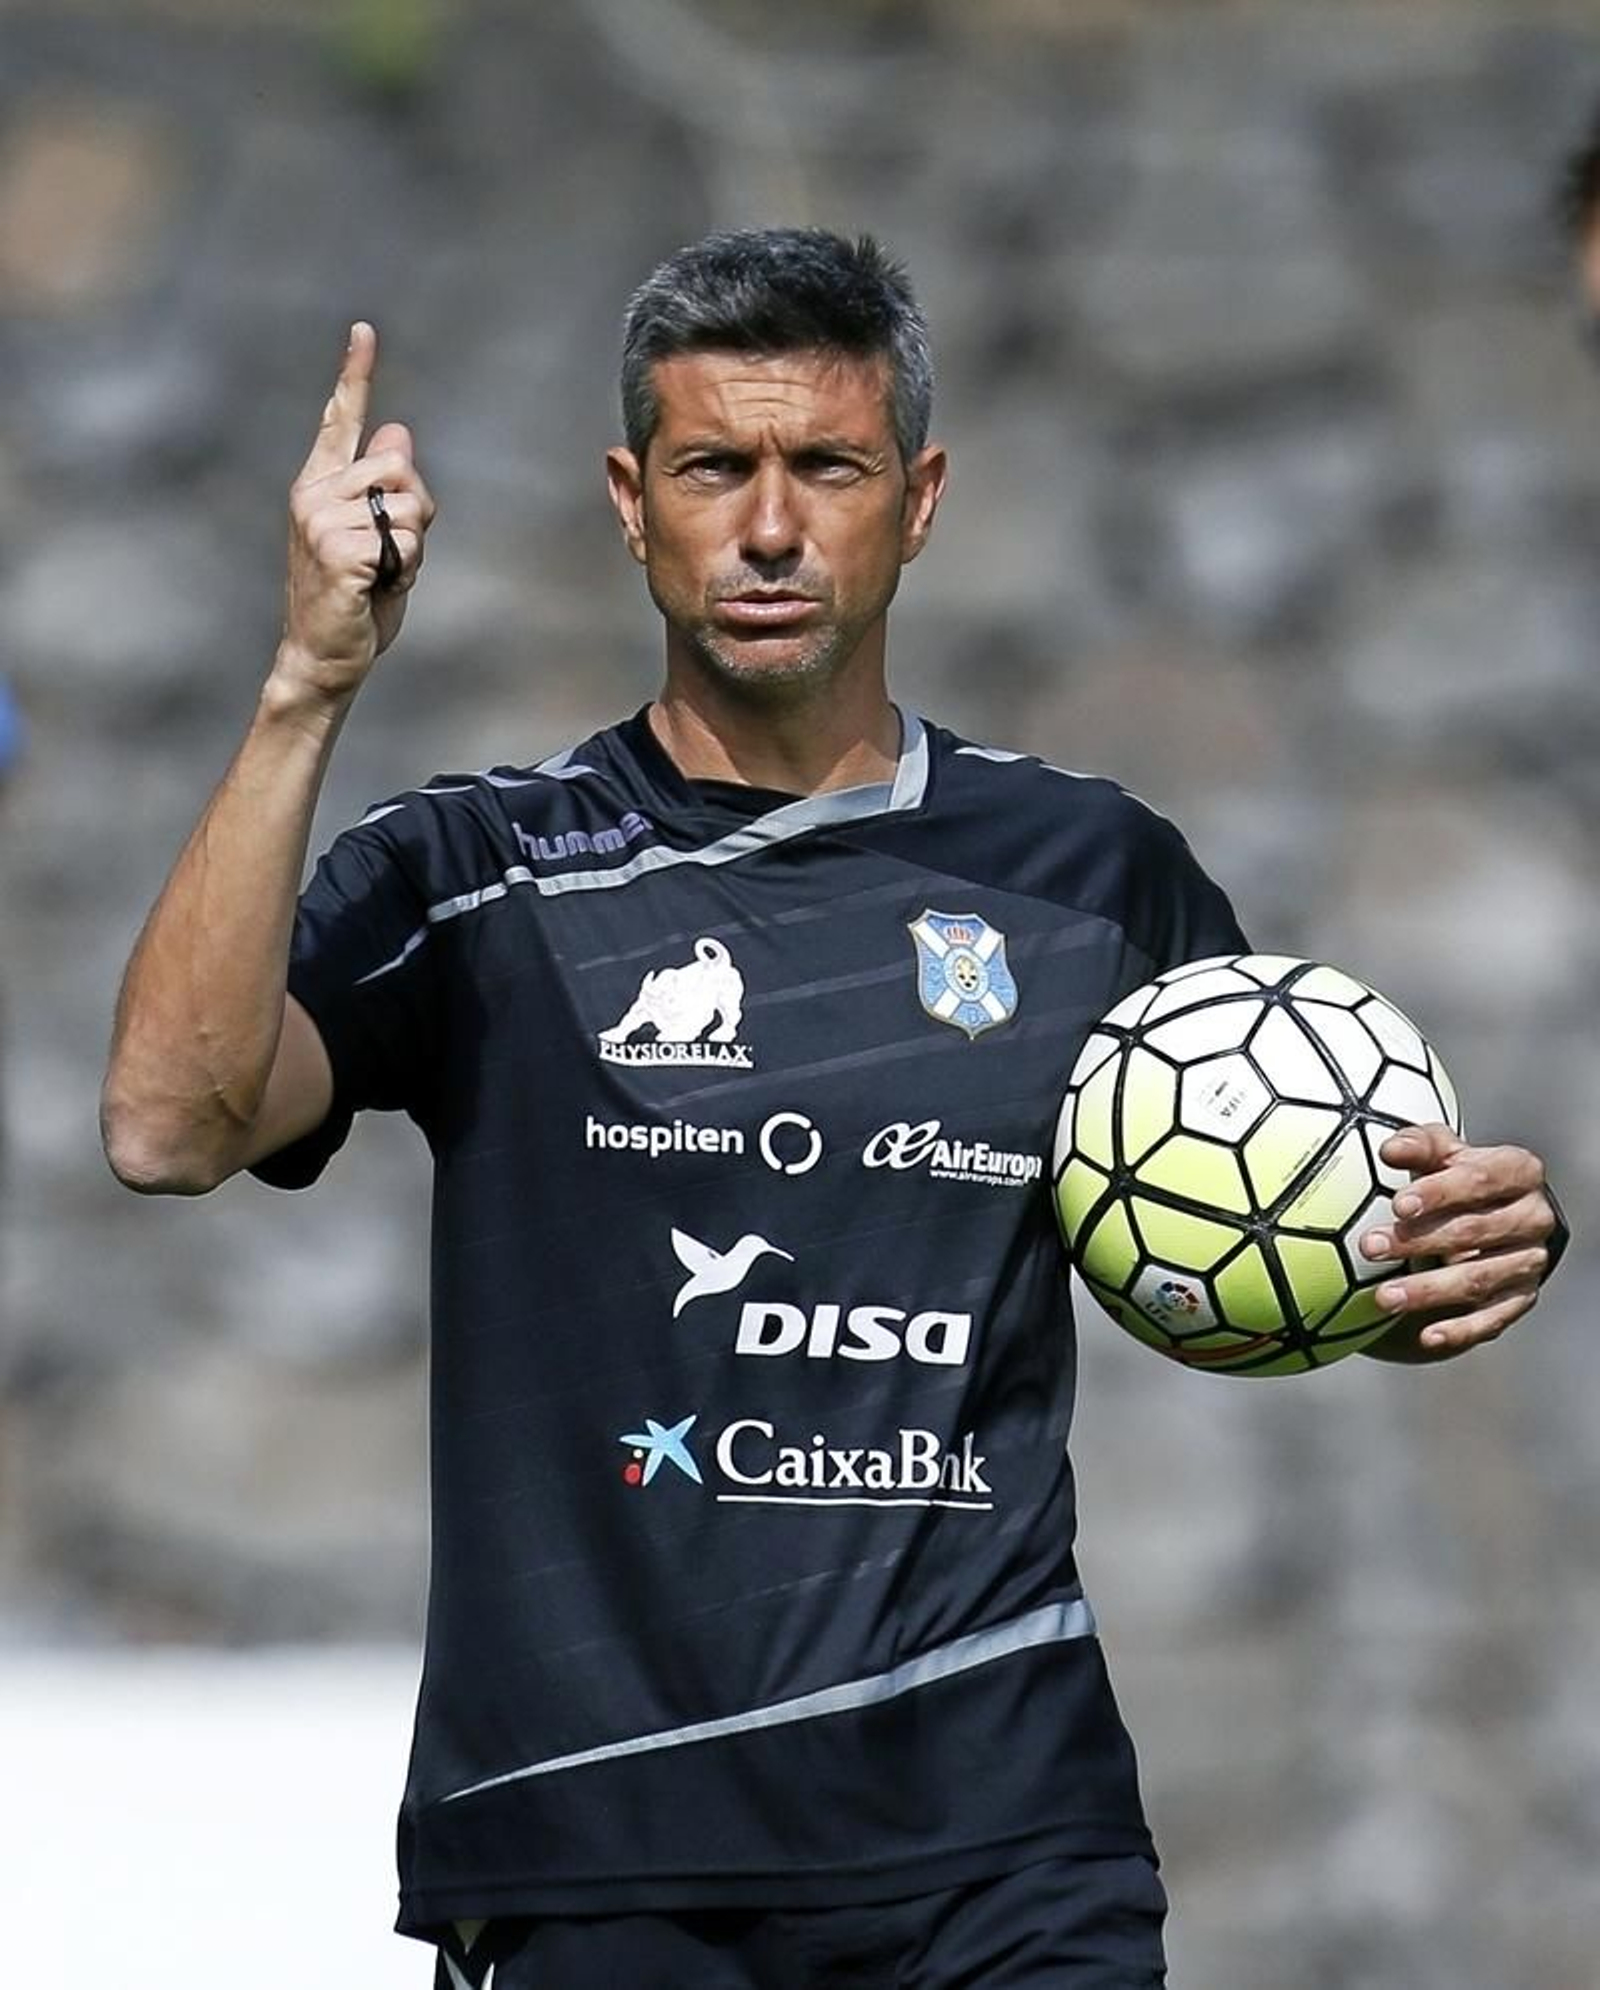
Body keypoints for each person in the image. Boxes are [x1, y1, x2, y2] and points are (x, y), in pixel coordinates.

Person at [102, 229, 1566, 1988]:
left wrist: (1431, 1255)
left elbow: (1240, 1242)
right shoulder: (474, 874)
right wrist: (305, 686)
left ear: (922, 497)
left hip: (1003, 1836)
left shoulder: (1093, 877)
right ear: (632, 503)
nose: (773, 526)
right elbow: (169, 1125)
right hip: (602, 1844)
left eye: (830, 467)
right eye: (718, 468)